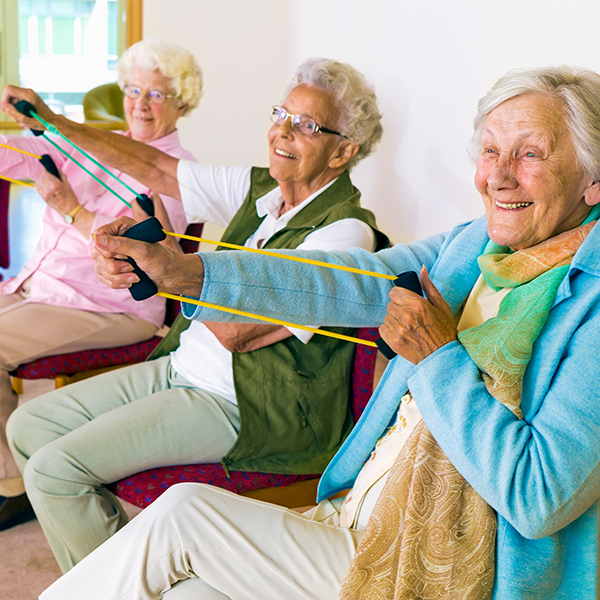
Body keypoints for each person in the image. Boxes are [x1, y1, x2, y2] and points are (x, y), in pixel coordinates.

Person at [19, 64, 600, 600]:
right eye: (491, 150)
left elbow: (537, 496)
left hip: (442, 558)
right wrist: (186, 272)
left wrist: (440, 356)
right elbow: (342, 282)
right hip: (362, 511)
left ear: (592, 181)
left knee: (182, 514)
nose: (497, 176)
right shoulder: (475, 243)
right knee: (184, 591)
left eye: (530, 155)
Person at [2, 57, 389, 573]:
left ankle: (111, 580)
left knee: (55, 471)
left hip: (245, 402)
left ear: (343, 150)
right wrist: (55, 122)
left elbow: (237, 333)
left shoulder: (344, 234)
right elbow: (155, 167)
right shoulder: (261, 192)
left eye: (307, 125)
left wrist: (169, 265)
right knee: (29, 425)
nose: (283, 131)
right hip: (183, 367)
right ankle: (117, 563)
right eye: (281, 114)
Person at [0, 37, 201, 528]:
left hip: (109, 308)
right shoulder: (92, 144)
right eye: (134, 90)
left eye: (158, 94)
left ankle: (13, 485)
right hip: (42, 288)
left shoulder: (178, 172)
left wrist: (69, 206)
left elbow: (136, 246)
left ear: (182, 102)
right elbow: (11, 157)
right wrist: (22, 118)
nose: (141, 104)